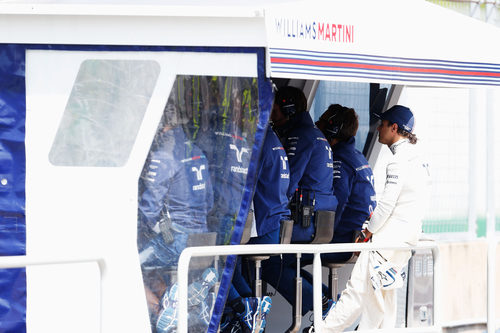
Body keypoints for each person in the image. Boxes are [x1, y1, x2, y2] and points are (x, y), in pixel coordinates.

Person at [321, 105, 431, 332]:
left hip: (387, 241)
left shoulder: (398, 161)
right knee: (383, 297)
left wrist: (368, 232)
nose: (377, 128)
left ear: (394, 128)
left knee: (356, 292)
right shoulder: (419, 159)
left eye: (382, 124)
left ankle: (321, 331)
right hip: (405, 241)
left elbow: (387, 205)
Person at [137, 91, 216, 332]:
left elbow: (149, 210)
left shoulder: (164, 156)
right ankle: (176, 298)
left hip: (175, 242)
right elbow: (210, 201)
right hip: (202, 239)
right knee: (152, 264)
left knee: (130, 260)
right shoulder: (197, 152)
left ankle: (163, 315)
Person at [294, 104, 378, 320]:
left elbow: (335, 208)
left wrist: (315, 236)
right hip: (355, 238)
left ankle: (325, 304)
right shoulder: (358, 157)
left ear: (333, 128)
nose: (317, 124)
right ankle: (328, 302)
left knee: (283, 258)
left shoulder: (339, 160)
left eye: (322, 121)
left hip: (342, 240)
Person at [262, 86, 337, 316]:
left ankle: (321, 304)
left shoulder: (299, 136)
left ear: (288, 108)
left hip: (303, 223)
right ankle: (327, 303)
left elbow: (286, 182)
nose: (270, 112)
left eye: (274, 107)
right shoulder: (313, 133)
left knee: (268, 263)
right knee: (284, 263)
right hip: (316, 221)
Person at [221, 124, 291, 333]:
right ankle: (250, 310)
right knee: (233, 260)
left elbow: (245, 184)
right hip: (274, 223)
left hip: (262, 226)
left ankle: (243, 309)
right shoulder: (276, 141)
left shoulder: (260, 142)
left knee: (219, 260)